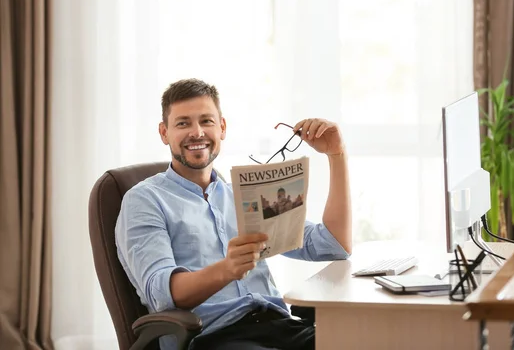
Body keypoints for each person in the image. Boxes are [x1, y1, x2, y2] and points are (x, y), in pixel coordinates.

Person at [115, 78, 352, 350]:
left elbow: (334, 245)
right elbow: (162, 294)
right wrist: (227, 269)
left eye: (206, 121)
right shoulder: (144, 200)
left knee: (371, 339)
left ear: (222, 127)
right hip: (214, 338)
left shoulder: (242, 195)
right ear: (164, 133)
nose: (197, 132)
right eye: (183, 123)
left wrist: (337, 154)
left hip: (279, 326)